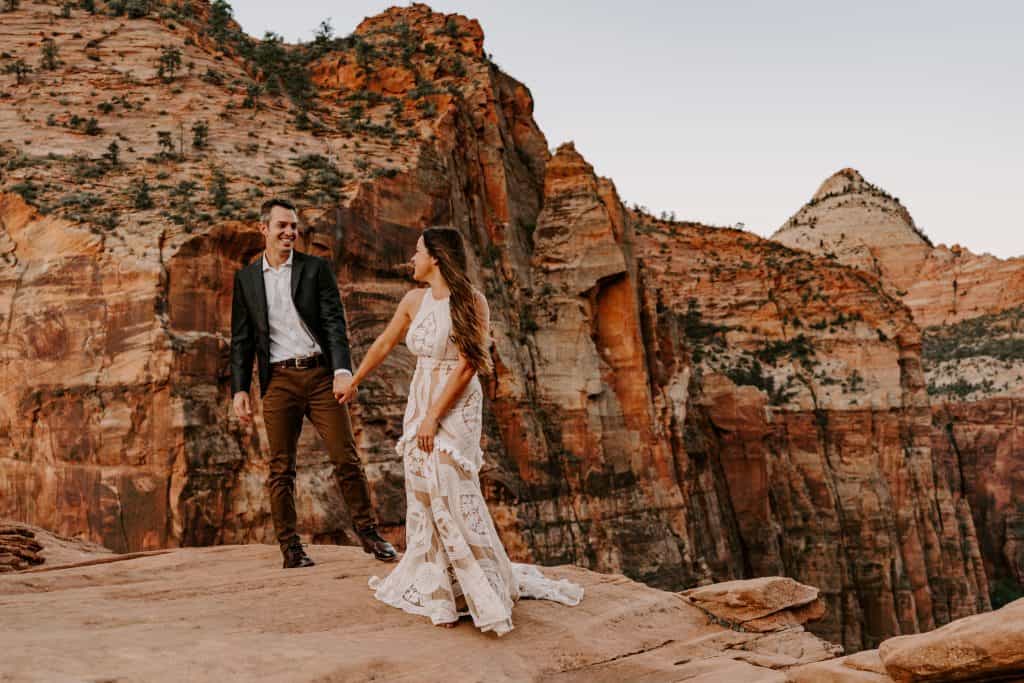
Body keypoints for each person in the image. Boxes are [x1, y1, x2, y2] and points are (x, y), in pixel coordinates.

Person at [337, 226, 582, 634]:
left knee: (449, 482)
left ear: (435, 256)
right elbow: (383, 342)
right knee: (422, 484)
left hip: (456, 401)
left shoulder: (472, 301)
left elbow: (470, 363)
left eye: (417, 252)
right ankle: (442, 591)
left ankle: (480, 586)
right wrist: (356, 379)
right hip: (422, 394)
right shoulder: (413, 300)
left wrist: (435, 415)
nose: (410, 260)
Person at [230, 198, 397, 569]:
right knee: (280, 468)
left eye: (294, 226)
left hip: (321, 376)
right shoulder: (246, 280)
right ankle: (290, 549)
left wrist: (342, 370)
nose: (290, 232)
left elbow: (335, 322)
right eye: (282, 226)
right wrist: (240, 389)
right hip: (278, 382)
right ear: (264, 230)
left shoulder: (315, 269)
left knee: (346, 458)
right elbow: (240, 339)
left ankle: (369, 534)